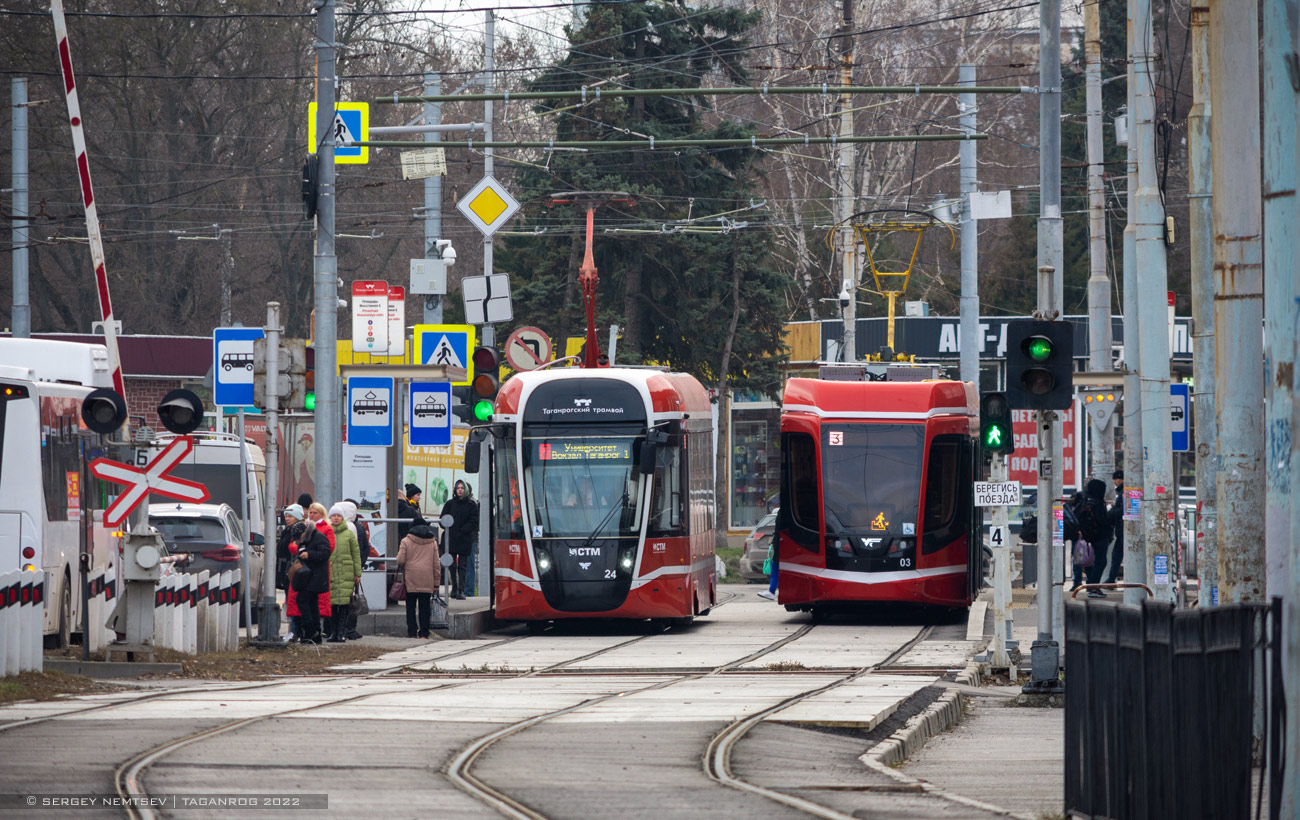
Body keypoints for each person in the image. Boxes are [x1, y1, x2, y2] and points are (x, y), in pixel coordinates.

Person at [293, 511, 332, 644]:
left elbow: (326, 553)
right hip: (310, 576)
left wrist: (309, 555)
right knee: (312, 603)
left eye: (299, 537)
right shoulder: (308, 539)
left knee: (302, 599)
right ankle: (315, 632)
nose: (298, 540)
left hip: (316, 577)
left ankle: (310, 629)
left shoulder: (318, 537)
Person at [1071, 480, 1115, 598]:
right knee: (1101, 561)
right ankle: (1093, 587)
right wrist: (1110, 518)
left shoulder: (1085, 501)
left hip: (1088, 536)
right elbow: (1103, 521)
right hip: (1100, 536)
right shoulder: (1097, 503)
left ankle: (1091, 585)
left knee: (1091, 561)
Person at [397, 522, 440, 638]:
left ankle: (412, 632)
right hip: (427, 577)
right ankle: (424, 633)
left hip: (411, 577)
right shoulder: (432, 542)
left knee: (410, 607)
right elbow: (436, 564)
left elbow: (400, 560)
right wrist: (436, 583)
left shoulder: (406, 541)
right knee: (425, 607)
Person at [327, 504, 363, 643]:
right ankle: (333, 632)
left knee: (343, 605)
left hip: (346, 573)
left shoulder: (348, 533)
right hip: (330, 572)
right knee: (331, 604)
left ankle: (341, 632)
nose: (336, 518)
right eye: (333, 516)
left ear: (342, 517)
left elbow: (356, 554)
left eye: (338, 516)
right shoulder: (327, 532)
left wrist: (357, 573)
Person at [440, 479, 479, 599]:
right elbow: (443, 519)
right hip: (451, 538)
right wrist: (450, 528)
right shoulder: (450, 504)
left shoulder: (471, 505)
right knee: (451, 565)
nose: (460, 490)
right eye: (458, 488)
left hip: (464, 539)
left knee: (463, 566)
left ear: (466, 490)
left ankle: (461, 590)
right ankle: (454, 588)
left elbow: (474, 522)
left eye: (462, 488)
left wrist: (463, 530)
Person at [276, 504, 307, 642]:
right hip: (287, 570)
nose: (287, 519)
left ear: (298, 517)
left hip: (295, 571)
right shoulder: (287, 531)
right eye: (286, 516)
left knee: (295, 602)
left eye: (290, 516)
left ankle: (296, 631)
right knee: (290, 601)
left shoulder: (298, 531)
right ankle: (293, 631)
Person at [306, 502, 335, 635]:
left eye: (315, 513)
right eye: (310, 512)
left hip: (319, 567)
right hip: (305, 567)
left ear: (321, 514)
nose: (312, 515)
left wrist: (310, 554)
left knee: (319, 598)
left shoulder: (326, 528)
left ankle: (322, 629)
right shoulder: (305, 527)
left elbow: (329, 548)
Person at [1105, 470, 1125, 584]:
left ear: (1121, 479)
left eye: (1115, 479)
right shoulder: (1122, 492)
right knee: (1116, 555)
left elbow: (1122, 510)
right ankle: (1111, 579)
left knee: (1117, 555)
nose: (1114, 482)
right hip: (1121, 530)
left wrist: (1111, 511)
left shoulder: (1123, 493)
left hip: (1123, 530)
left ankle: (1111, 579)